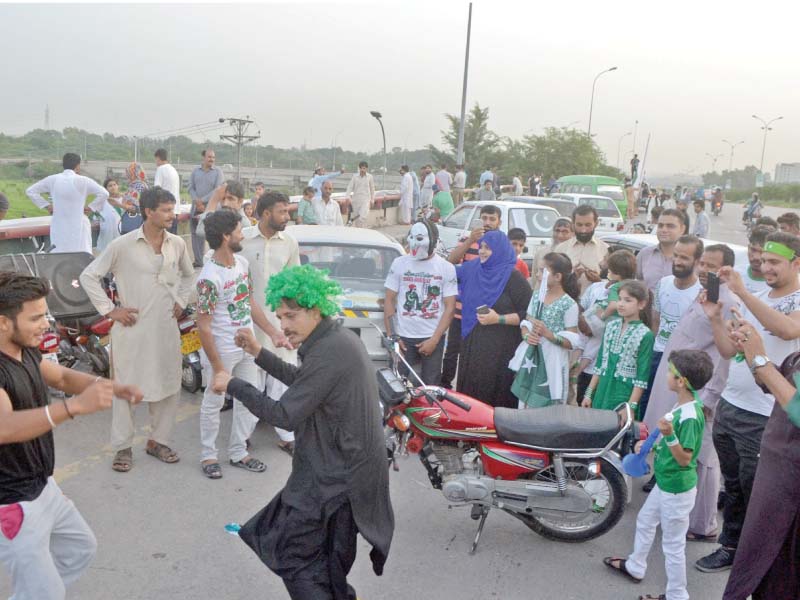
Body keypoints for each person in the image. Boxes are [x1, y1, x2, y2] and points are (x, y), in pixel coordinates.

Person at [213, 265, 394, 599]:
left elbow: (284, 414)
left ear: (315, 309)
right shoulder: (332, 340)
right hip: (337, 476)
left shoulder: (331, 351)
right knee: (322, 563)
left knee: (295, 559)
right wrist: (258, 353)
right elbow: (304, 385)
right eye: (280, 316)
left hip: (337, 483)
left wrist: (234, 384)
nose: (283, 325)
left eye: (291, 316)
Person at [0, 273, 142, 599]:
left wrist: (107, 386)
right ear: (4, 324)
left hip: (43, 486)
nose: (46, 324)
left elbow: (62, 376)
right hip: (13, 503)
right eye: (35, 318)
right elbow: (5, 428)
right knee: (45, 592)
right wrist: (74, 407)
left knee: (80, 547)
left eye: (45, 314)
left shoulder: (27, 351)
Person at [696, 231, 800, 573]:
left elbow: (786, 330)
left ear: (796, 263)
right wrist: (715, 318)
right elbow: (728, 352)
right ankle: (732, 545)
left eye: (775, 262)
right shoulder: (756, 295)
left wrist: (740, 292)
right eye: (764, 261)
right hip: (731, 404)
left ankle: (750, 556)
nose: (765, 267)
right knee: (735, 486)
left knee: (758, 491)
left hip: (765, 414)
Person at [80, 187, 195, 472]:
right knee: (125, 390)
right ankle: (123, 447)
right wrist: (110, 310)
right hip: (131, 331)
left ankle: (158, 441)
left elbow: (190, 276)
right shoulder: (123, 245)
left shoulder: (177, 243)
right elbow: (89, 276)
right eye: (167, 210)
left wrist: (181, 301)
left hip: (166, 330)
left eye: (174, 209)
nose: (173, 214)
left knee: (168, 386)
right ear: (148, 211)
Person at [643, 244, 738, 535]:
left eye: (714, 266)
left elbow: (725, 357)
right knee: (680, 451)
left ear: (727, 271)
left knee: (702, 458)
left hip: (702, 392)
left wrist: (709, 397)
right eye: (704, 264)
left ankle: (703, 525)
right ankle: (678, 513)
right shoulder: (704, 294)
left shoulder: (728, 303)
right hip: (680, 384)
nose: (706, 270)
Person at [604, 349, 713, 600]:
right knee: (645, 521)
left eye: (670, 371)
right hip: (666, 482)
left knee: (673, 545)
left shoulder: (689, 416)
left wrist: (668, 436)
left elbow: (686, 458)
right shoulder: (685, 403)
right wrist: (651, 444)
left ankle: (677, 595)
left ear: (681, 381)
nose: (666, 375)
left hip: (676, 488)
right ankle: (635, 565)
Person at [196, 210, 279, 479]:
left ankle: (238, 451)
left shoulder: (241, 263)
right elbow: (204, 326)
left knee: (250, 398)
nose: (243, 234)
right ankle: (209, 455)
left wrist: (271, 331)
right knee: (214, 401)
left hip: (247, 347)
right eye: (239, 230)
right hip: (222, 350)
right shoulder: (208, 279)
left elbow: (248, 302)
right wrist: (219, 366)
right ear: (225, 236)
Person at [723, 324, 800, 599]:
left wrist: (761, 362)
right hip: (777, 481)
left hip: (791, 493)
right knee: (762, 569)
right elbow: (783, 384)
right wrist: (751, 351)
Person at [238, 191, 300, 454]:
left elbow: (295, 283)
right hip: (249, 323)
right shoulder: (242, 240)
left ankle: (287, 436)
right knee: (250, 383)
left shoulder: (289, 243)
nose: (287, 216)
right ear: (265, 214)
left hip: (280, 326)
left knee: (282, 382)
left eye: (288, 211)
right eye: (282, 212)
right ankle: (241, 436)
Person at [456, 230, 532, 408]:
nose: (482, 251)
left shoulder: (513, 277)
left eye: (487, 248)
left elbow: (528, 314)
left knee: (496, 397)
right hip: (474, 343)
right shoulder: (473, 269)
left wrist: (499, 318)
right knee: (472, 395)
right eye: (481, 247)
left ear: (499, 250)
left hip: (502, 348)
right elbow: (445, 268)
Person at [384, 220, 457, 385]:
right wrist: (393, 337)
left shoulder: (446, 268)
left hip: (432, 338)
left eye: (420, 238)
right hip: (403, 338)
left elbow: (450, 307)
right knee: (395, 387)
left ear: (433, 241)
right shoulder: (399, 263)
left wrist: (435, 340)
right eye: (412, 237)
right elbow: (389, 300)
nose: (414, 244)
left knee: (429, 390)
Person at [640, 235, 704, 420]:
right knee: (646, 401)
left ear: (697, 261)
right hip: (657, 353)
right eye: (676, 255)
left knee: (669, 410)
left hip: (680, 362)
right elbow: (656, 320)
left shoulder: (701, 292)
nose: (677, 261)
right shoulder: (664, 283)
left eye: (684, 257)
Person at [441, 204, 502, 389]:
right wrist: (469, 242)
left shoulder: (501, 244)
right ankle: (445, 388)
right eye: (484, 218)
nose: (487, 222)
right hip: (461, 310)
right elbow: (449, 262)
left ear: (500, 222)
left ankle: (470, 390)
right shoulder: (467, 240)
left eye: (492, 219)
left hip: (485, 310)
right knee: (452, 352)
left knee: (477, 354)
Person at [511, 252, 580, 407]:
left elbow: (572, 341)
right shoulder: (536, 296)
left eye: (542, 271)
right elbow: (526, 323)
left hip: (553, 359)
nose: (537, 274)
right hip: (532, 356)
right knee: (525, 401)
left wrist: (549, 335)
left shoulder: (568, 304)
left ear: (557, 277)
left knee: (548, 401)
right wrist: (528, 337)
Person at [581, 279, 654, 414]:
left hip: (624, 395)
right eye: (619, 299)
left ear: (642, 304)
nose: (621, 304)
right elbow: (599, 365)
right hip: (602, 391)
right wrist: (588, 394)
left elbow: (641, 377)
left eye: (628, 300)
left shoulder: (646, 335)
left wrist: (630, 408)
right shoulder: (611, 326)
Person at [576, 249, 637, 402]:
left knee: (590, 350)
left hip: (603, 333)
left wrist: (599, 318)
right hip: (600, 336)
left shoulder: (618, 289)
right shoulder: (603, 287)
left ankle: (576, 371)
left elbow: (610, 307)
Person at [25, 152, 108, 254]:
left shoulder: (52, 179)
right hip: (79, 224)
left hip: (59, 224)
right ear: (78, 166)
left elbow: (30, 191)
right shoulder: (84, 180)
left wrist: (47, 206)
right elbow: (104, 193)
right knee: (81, 257)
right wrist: (91, 207)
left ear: (63, 164)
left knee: (59, 255)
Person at [553, 204, 609, 292]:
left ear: (596, 223)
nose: (583, 230)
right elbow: (552, 281)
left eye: (588, 225)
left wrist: (598, 281)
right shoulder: (561, 249)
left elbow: (613, 286)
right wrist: (571, 278)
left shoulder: (605, 250)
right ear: (573, 224)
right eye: (579, 225)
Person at [188, 149, 224, 267]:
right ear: (203, 158)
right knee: (195, 234)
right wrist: (196, 200)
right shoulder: (195, 171)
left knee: (212, 234)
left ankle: (215, 260)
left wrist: (202, 201)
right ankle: (198, 261)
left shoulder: (218, 172)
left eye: (213, 157)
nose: (211, 160)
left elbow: (217, 189)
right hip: (196, 208)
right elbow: (190, 188)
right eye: (209, 157)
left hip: (212, 209)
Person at [636, 208, 685, 292]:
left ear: (682, 229)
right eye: (660, 225)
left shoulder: (690, 259)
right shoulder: (645, 254)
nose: (664, 230)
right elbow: (637, 282)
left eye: (670, 226)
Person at [532, 217, 573, 288]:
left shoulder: (574, 253)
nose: (560, 235)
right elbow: (534, 280)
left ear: (573, 234)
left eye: (565, 231)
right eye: (557, 231)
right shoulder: (541, 253)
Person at [735, 225, 771, 295]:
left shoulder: (777, 286)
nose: (756, 257)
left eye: (762, 252)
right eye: (753, 250)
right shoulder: (736, 273)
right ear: (748, 248)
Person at [345, 161, 375, 228]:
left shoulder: (370, 177)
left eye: (364, 168)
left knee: (362, 217)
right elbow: (350, 187)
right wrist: (347, 197)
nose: (362, 170)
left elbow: (372, 189)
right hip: (356, 201)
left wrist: (372, 200)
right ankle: (359, 233)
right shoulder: (355, 177)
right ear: (359, 168)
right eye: (361, 168)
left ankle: (361, 231)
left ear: (366, 169)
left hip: (366, 200)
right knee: (357, 220)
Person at [96, 177, 122, 252]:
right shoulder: (103, 200)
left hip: (120, 232)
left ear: (118, 186)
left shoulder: (123, 199)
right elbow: (95, 213)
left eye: (114, 184)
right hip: (106, 233)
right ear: (106, 188)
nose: (113, 187)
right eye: (110, 186)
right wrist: (98, 222)